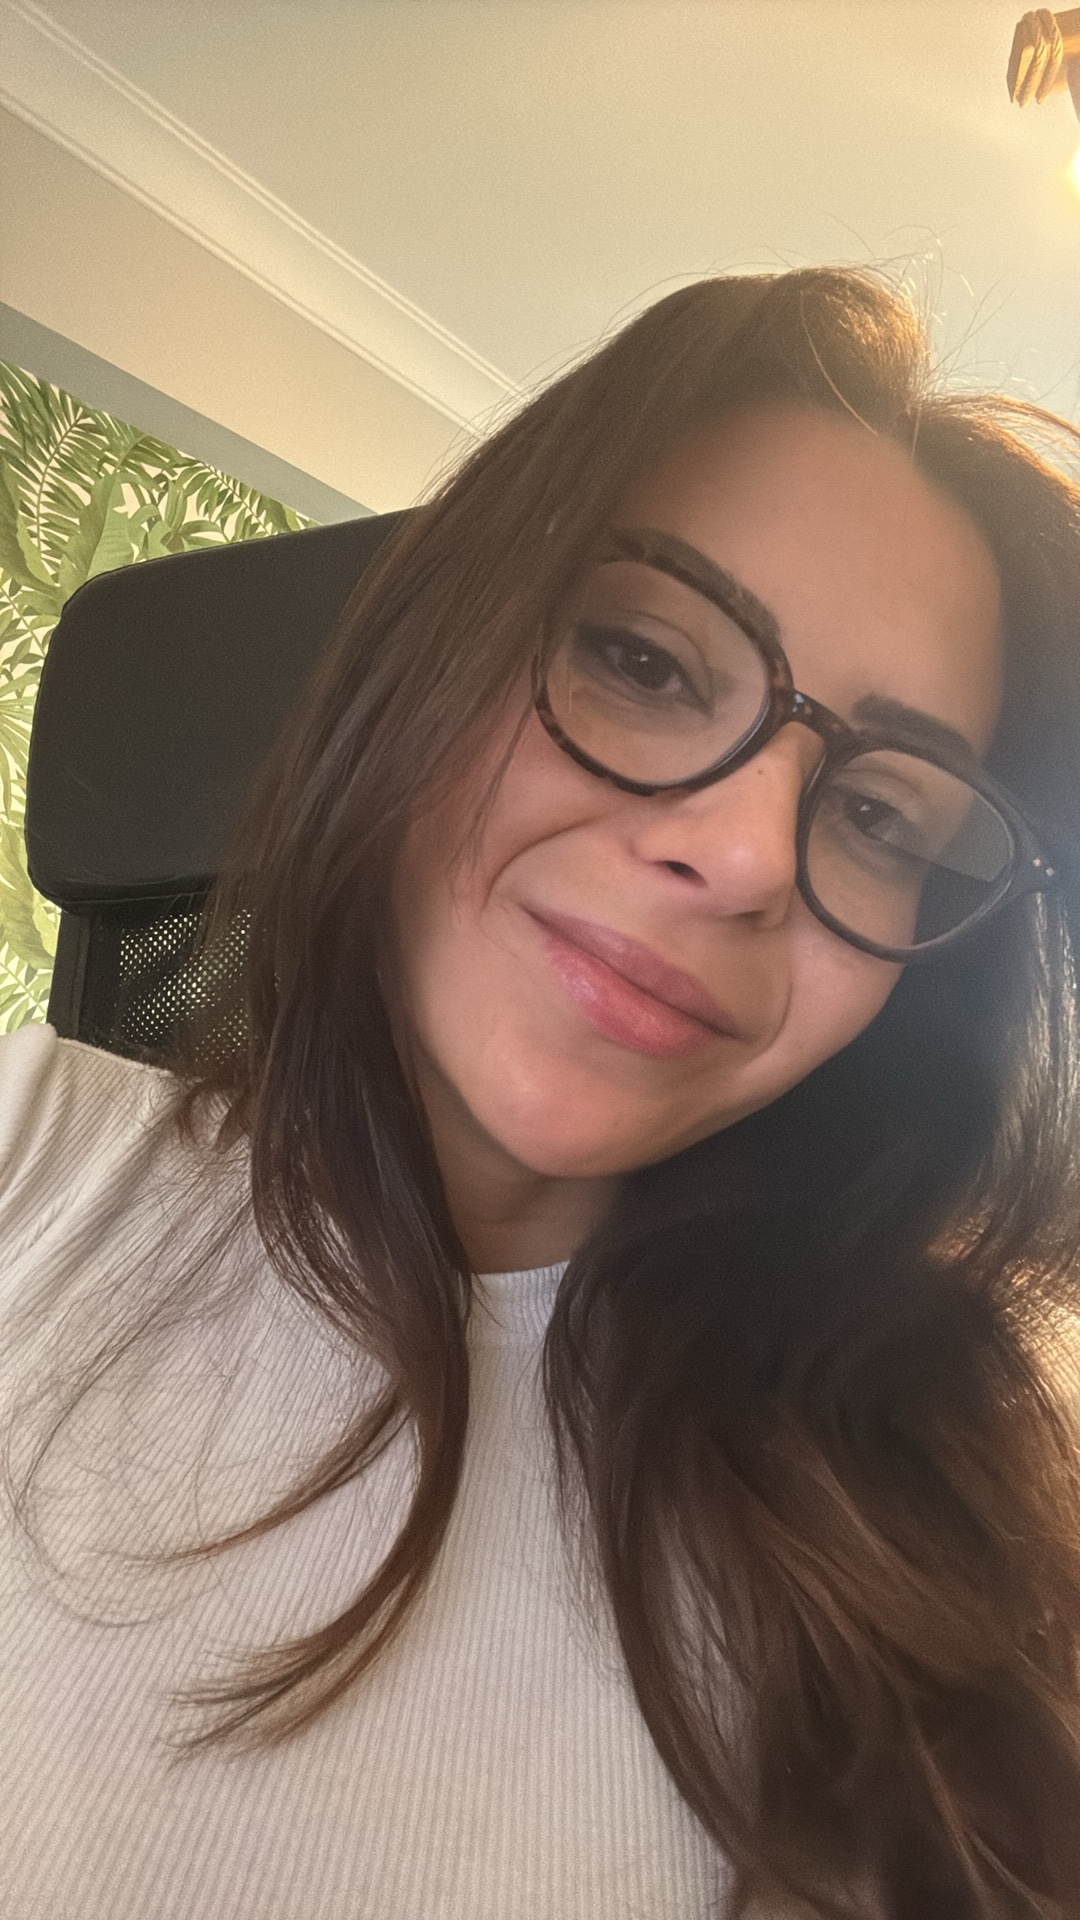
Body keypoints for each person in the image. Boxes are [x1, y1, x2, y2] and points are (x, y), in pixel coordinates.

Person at [1, 267, 1080, 1920]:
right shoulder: (27, 1156)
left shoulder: (957, 1502)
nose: (745, 856)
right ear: (433, 650)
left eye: (883, 818)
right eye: (645, 660)